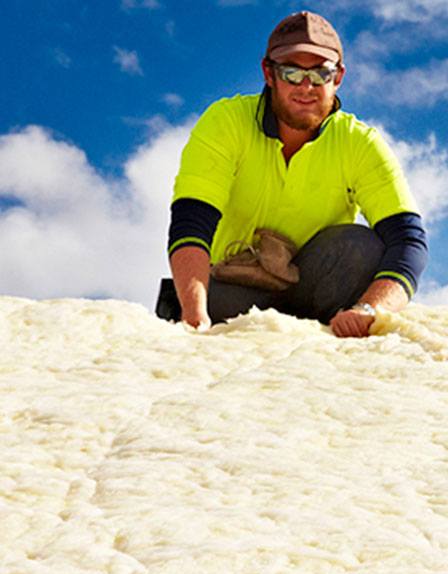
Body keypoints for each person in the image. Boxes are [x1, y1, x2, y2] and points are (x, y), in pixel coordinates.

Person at [155, 11, 428, 338]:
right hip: (232, 290)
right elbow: (191, 222)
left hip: (315, 293)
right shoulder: (225, 122)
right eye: (292, 73)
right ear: (268, 74)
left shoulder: (361, 144)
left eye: (320, 73)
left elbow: (408, 240)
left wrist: (368, 309)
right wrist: (194, 313)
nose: (307, 87)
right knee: (193, 299)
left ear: (338, 77)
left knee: (362, 245)